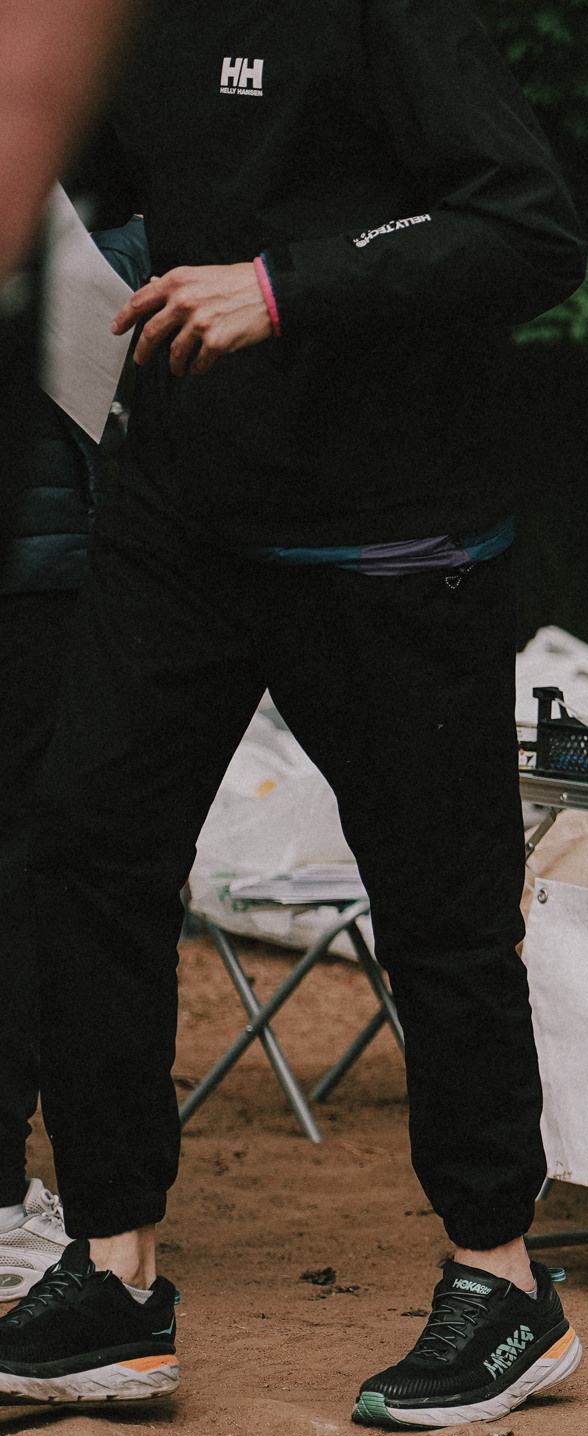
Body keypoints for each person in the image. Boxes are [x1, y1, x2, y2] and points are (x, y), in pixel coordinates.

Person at [0, 0, 588, 1428]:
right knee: (86, 848)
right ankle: (116, 1271)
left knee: (442, 908)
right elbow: (126, 187)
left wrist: (286, 286)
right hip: (182, 515)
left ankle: (502, 1281)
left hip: (390, 539)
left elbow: (527, 229)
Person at [0, 206, 146, 1299]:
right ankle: (4, 1200)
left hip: (43, 560)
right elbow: (106, 318)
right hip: (38, 573)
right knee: (26, 877)